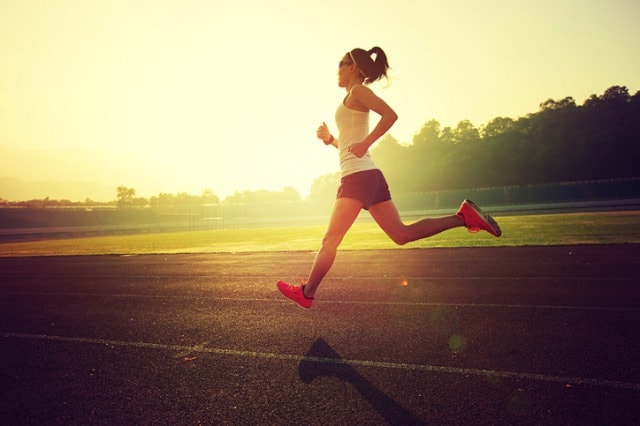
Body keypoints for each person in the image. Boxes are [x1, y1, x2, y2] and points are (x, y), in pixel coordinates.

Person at [277, 47, 501, 309]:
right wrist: (330, 141)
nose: (336, 69)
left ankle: (307, 293)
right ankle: (463, 217)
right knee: (401, 235)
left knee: (330, 240)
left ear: (353, 67)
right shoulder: (352, 97)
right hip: (368, 175)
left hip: (358, 177)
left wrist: (367, 142)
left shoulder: (358, 91)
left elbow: (390, 116)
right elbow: (351, 146)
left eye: (340, 63)